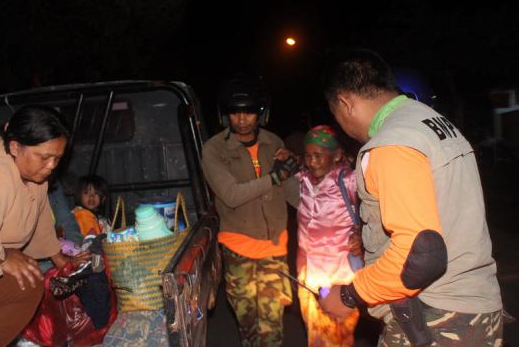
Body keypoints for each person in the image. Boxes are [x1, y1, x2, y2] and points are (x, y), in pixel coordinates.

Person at [318, 48, 503, 346]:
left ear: (344, 103)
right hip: (476, 308)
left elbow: (420, 254)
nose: (343, 127)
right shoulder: (435, 123)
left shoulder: (391, 144)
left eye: (336, 115)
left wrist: (350, 294)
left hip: (437, 317)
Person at [0, 105, 89, 346]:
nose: (51, 166)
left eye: (57, 158)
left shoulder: (33, 174)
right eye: (45, 157)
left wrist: (58, 258)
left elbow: (38, 219)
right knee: (24, 283)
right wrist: (3, 257)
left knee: (29, 280)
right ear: (15, 147)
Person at [202, 75, 299, 346]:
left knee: (272, 330)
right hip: (238, 251)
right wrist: (276, 177)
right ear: (225, 115)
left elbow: (293, 194)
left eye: (249, 112)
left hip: (275, 250)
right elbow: (231, 195)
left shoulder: (274, 142)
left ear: (261, 113)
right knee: (250, 330)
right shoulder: (214, 150)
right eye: (235, 112)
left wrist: (296, 166)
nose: (242, 119)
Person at [295, 125, 361, 346]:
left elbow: (376, 212)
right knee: (315, 336)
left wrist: (361, 236)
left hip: (339, 279)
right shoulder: (302, 179)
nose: (312, 161)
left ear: (337, 156)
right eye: (308, 156)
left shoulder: (350, 181)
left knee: (338, 337)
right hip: (307, 277)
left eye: (318, 156)